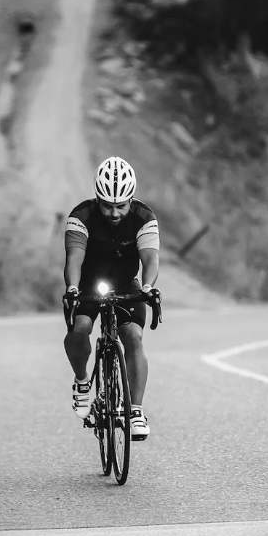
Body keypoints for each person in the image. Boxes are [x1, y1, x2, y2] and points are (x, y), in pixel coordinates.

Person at [62, 156, 161, 440]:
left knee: (133, 337)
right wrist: (72, 288)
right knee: (80, 328)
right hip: (88, 284)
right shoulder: (81, 216)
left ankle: (136, 411)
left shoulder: (144, 217)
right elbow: (74, 258)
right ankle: (82, 382)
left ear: (131, 199)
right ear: (97, 199)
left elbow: (150, 257)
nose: (114, 212)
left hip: (127, 283)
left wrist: (148, 286)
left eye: (121, 206)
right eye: (107, 205)